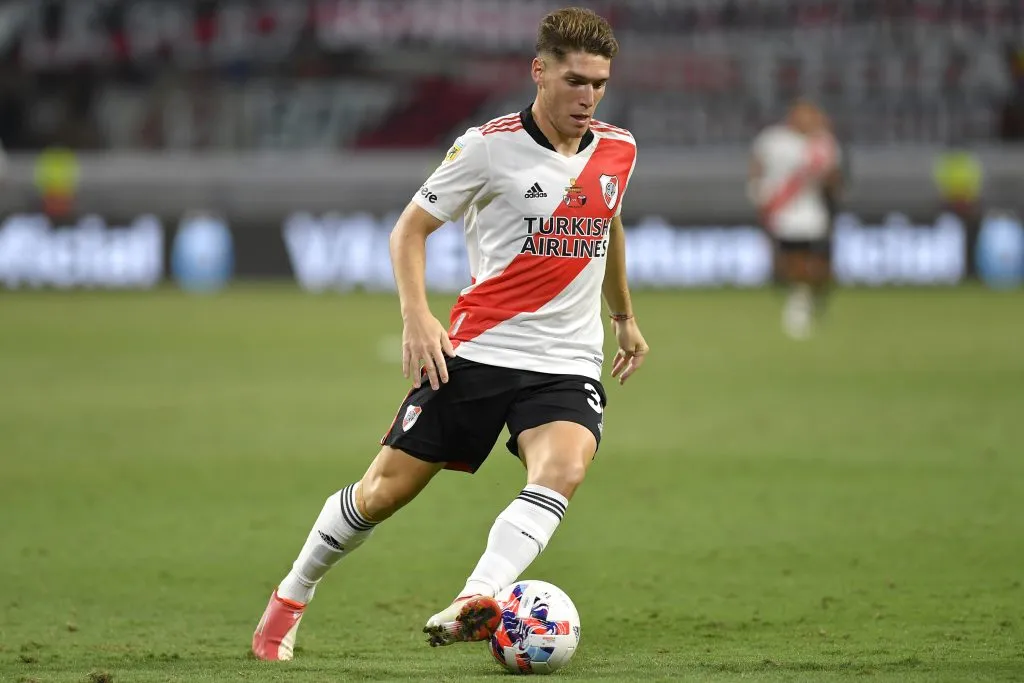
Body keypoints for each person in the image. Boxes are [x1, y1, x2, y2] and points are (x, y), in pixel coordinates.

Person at [252, 6, 649, 661]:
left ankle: (478, 596)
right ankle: (290, 597)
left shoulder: (618, 148)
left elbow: (608, 226)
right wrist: (417, 313)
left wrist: (625, 317)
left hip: (568, 359)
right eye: (576, 80)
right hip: (477, 352)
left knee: (564, 468)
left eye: (599, 83)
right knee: (381, 493)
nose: (589, 96)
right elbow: (409, 229)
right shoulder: (487, 147)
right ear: (539, 71)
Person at [748, 100, 842, 340]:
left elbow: (834, 180)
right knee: (792, 263)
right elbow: (757, 166)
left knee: (821, 269)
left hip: (813, 213)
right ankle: (799, 299)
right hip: (783, 213)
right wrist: (758, 193)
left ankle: (810, 297)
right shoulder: (772, 140)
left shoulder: (822, 143)